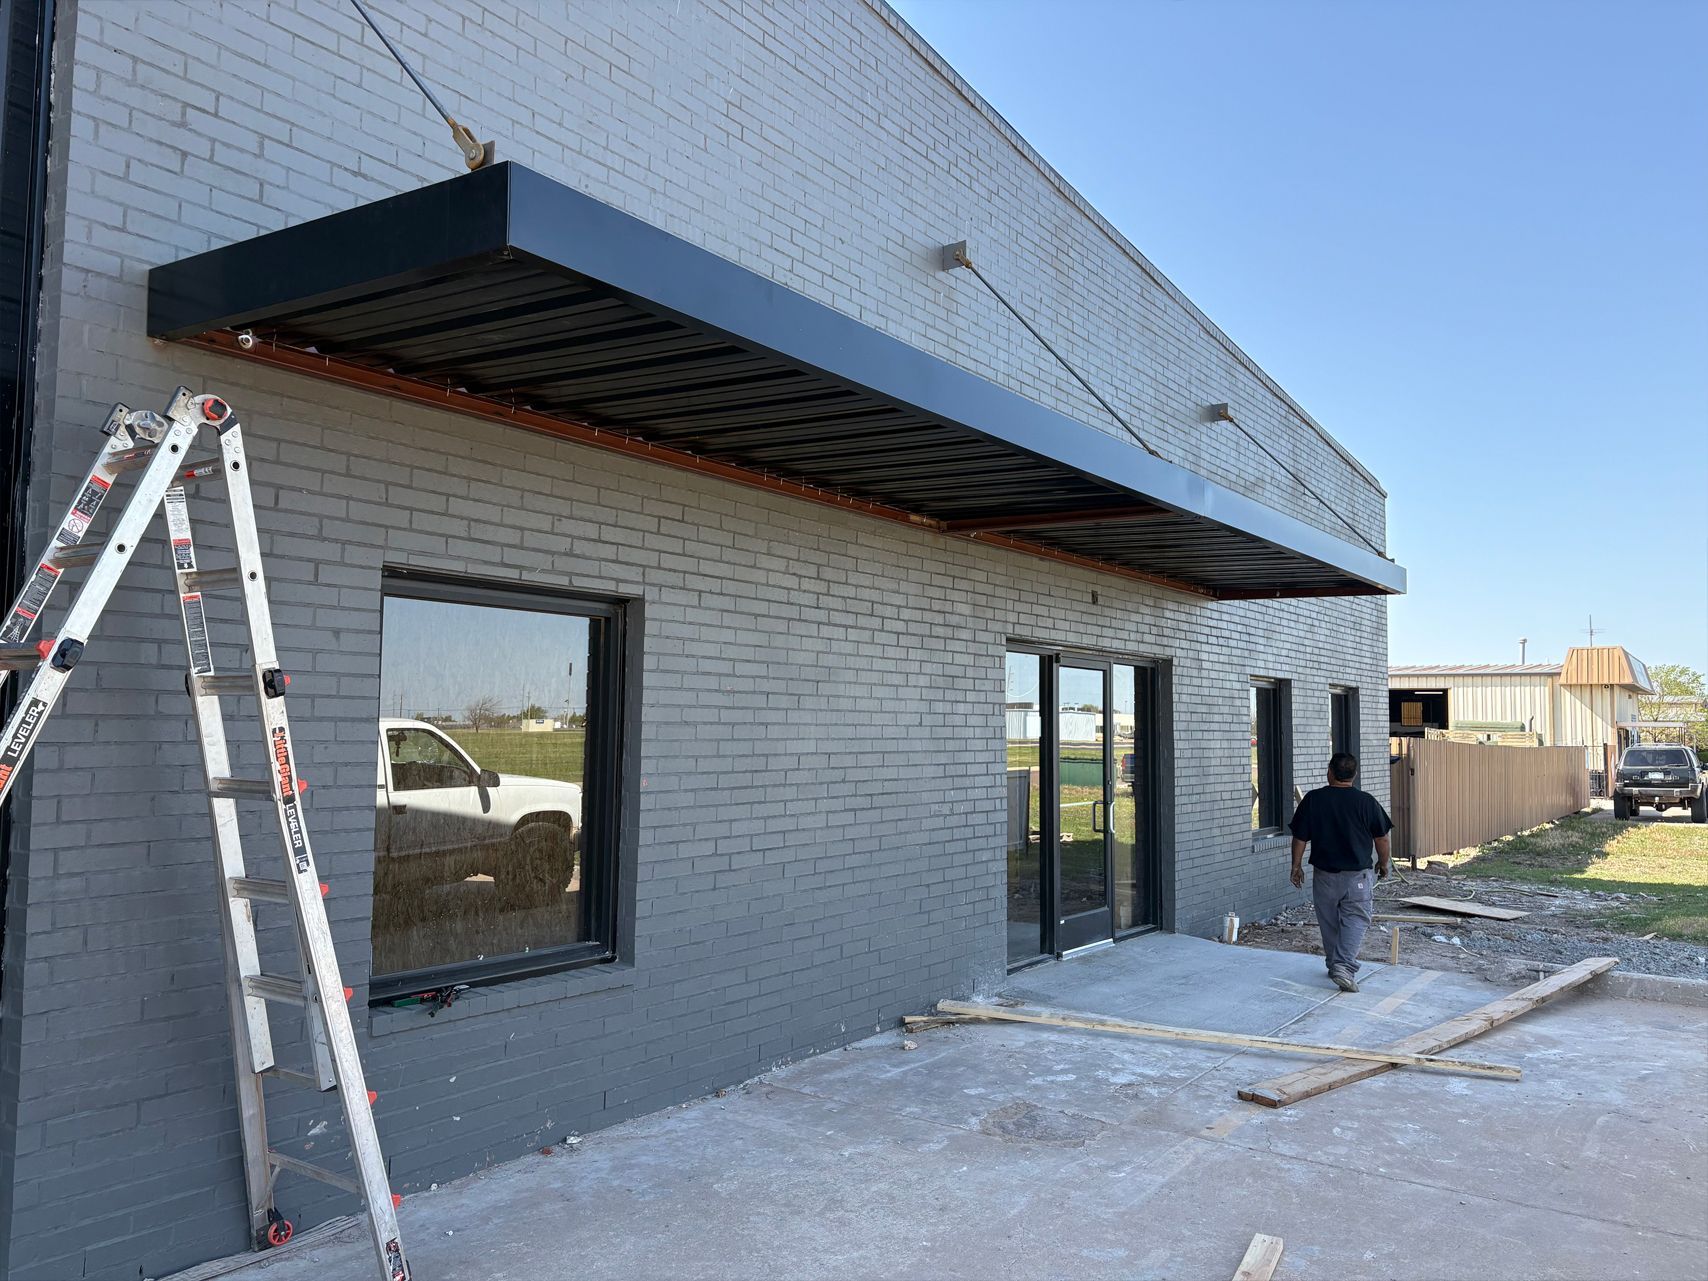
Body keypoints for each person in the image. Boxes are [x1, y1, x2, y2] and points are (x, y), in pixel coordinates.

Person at [1288, 752, 1394, 992]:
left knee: (1329, 920)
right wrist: (1383, 863)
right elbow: (1382, 838)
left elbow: (1300, 837)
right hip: (1357, 876)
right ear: (1354, 776)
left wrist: (1295, 866)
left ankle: (1334, 963)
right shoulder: (1366, 802)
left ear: (1329, 772)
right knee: (1356, 918)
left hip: (1324, 875)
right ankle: (1343, 966)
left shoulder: (1314, 800)